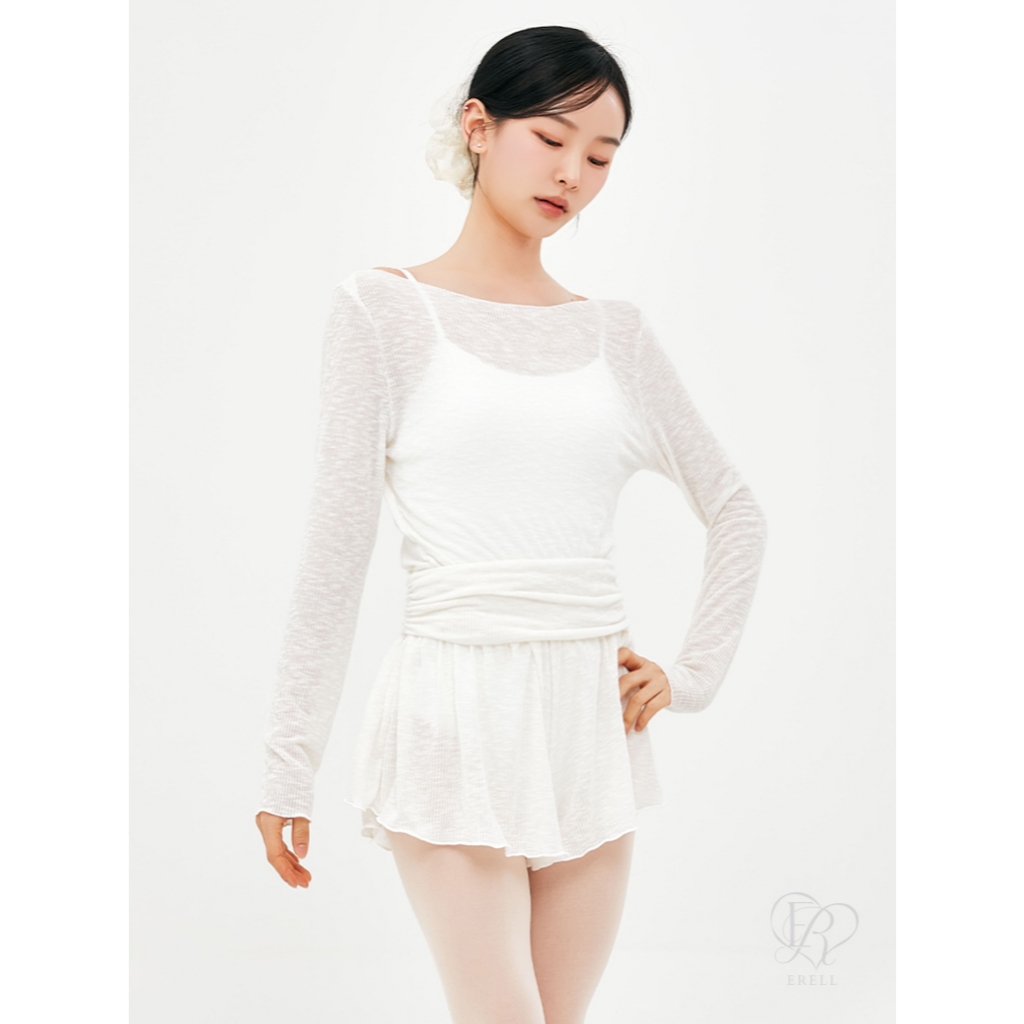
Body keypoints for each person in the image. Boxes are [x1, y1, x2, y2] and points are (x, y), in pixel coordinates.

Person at [254, 24, 767, 1024]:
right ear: (479, 127)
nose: (573, 173)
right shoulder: (384, 312)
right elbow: (335, 555)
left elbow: (738, 512)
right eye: (552, 138)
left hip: (591, 727)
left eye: (602, 157)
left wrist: (690, 674)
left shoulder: (616, 335)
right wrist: (287, 767)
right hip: (450, 716)